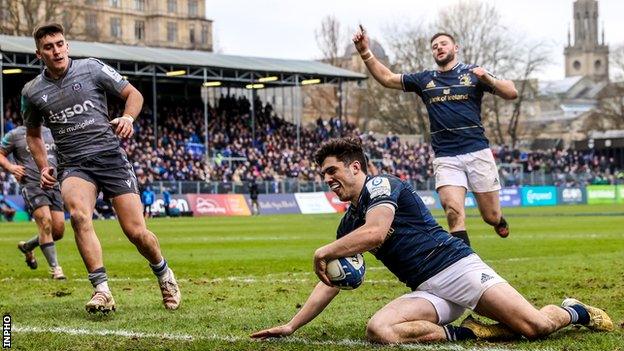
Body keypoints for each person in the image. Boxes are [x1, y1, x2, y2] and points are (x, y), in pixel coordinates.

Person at [251, 137, 613, 344]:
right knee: (381, 330)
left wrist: (324, 250)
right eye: (324, 174)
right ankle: (468, 334)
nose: (327, 179)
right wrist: (292, 324)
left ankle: (574, 310)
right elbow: (329, 282)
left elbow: (376, 232)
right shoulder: (348, 223)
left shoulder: (382, 185)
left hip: (457, 268)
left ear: (356, 167)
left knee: (535, 328)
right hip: (428, 289)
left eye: (332, 170)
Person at [22, 23, 180, 313]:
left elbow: (133, 94)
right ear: (38, 54)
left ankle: (164, 273)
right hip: (73, 165)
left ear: (67, 45)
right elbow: (32, 135)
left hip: (110, 157)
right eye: (48, 47)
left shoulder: (92, 68)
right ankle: (102, 290)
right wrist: (44, 166)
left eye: (59, 44)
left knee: (136, 233)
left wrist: (128, 118)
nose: (56, 50)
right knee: (80, 216)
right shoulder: (32, 91)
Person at [353, 27, 517, 245]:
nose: (439, 48)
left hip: (477, 151)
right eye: (434, 46)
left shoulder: (474, 74)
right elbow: (387, 78)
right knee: (453, 211)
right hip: (446, 156)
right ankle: (464, 264)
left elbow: (511, 92)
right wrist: (365, 51)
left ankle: (498, 221)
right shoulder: (425, 79)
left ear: (455, 48)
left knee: (491, 215)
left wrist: (489, 79)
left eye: (443, 44)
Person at [0, 124, 66, 279]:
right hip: (31, 184)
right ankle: (56, 269)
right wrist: (11, 167)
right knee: (45, 222)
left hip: (54, 184)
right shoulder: (15, 134)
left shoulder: (51, 132)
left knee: (58, 231)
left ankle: (27, 246)